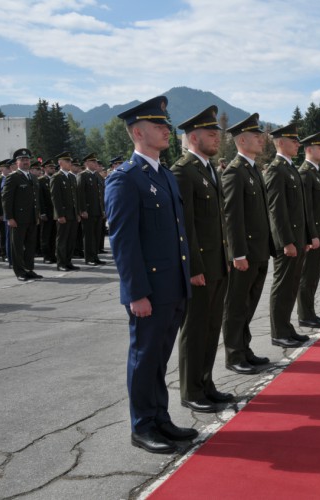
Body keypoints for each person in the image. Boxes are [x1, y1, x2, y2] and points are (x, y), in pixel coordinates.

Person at [104, 96, 196, 454]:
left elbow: (176, 233)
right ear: (138, 132)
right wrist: (135, 293)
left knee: (159, 358)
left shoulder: (164, 176)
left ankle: (160, 418)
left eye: (166, 125)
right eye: (159, 126)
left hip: (173, 286)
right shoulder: (125, 180)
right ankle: (142, 426)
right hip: (150, 291)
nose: (166, 130)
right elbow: (123, 243)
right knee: (144, 359)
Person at [170, 106, 234, 412]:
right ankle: (191, 390)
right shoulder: (183, 172)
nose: (217, 139)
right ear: (193, 137)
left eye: (217, 134)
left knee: (211, 328)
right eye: (211, 134)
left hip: (217, 264)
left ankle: (206, 383)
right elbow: (186, 226)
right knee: (195, 330)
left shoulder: (209, 169)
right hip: (200, 268)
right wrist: (193, 267)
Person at [221, 113, 273, 374]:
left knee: (249, 304)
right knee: (236, 305)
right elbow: (232, 216)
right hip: (245, 253)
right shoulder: (234, 172)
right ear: (242, 140)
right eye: (256, 136)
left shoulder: (252, 169)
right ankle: (234, 355)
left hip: (259, 251)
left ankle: (245, 347)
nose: (262, 139)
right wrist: (237, 252)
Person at [263, 122, 315, 349]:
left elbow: (300, 209)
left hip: (298, 240)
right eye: (294, 141)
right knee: (283, 285)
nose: (297, 144)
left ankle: (286, 327)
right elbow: (277, 211)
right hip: (288, 243)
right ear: (281, 143)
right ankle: (278, 332)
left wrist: (304, 238)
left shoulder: (290, 168)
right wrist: (286, 242)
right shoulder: (275, 170)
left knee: (292, 285)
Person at [297, 131, 320, 328]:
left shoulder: (316, 171)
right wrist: (312, 235)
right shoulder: (305, 173)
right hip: (314, 235)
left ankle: (310, 312)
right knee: (307, 276)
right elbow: (307, 209)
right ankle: (304, 314)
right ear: (309, 149)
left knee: (313, 276)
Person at [2, 148, 42, 281]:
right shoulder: (13, 177)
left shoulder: (33, 177)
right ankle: (19, 271)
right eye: (22, 160)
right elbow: (7, 199)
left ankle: (29, 269)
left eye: (27, 160)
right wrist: (10, 217)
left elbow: (36, 199)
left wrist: (36, 216)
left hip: (31, 217)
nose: (25, 162)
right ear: (17, 162)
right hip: (18, 218)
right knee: (17, 246)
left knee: (31, 245)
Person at [51, 152, 81, 272]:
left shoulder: (72, 177)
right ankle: (61, 263)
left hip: (73, 214)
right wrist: (60, 214)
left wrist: (77, 213)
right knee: (62, 240)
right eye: (67, 161)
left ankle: (68, 261)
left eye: (70, 161)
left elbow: (75, 197)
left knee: (71, 239)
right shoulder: (56, 177)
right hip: (63, 214)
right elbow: (55, 198)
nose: (70, 163)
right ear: (60, 162)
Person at [78, 152, 106, 265]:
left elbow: (101, 195)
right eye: (93, 161)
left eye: (95, 161)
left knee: (96, 235)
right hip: (88, 211)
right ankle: (89, 258)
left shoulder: (97, 176)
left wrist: (103, 209)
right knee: (89, 235)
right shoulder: (83, 175)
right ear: (86, 163)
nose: (95, 163)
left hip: (98, 210)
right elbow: (80, 194)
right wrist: (82, 210)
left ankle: (95, 256)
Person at [38, 160, 56, 264]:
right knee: (45, 235)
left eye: (53, 167)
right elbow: (40, 198)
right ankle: (46, 256)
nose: (52, 169)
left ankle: (53, 255)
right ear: (44, 168)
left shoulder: (55, 179)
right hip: (46, 212)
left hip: (55, 212)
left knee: (54, 235)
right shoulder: (41, 180)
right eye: (50, 167)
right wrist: (42, 212)